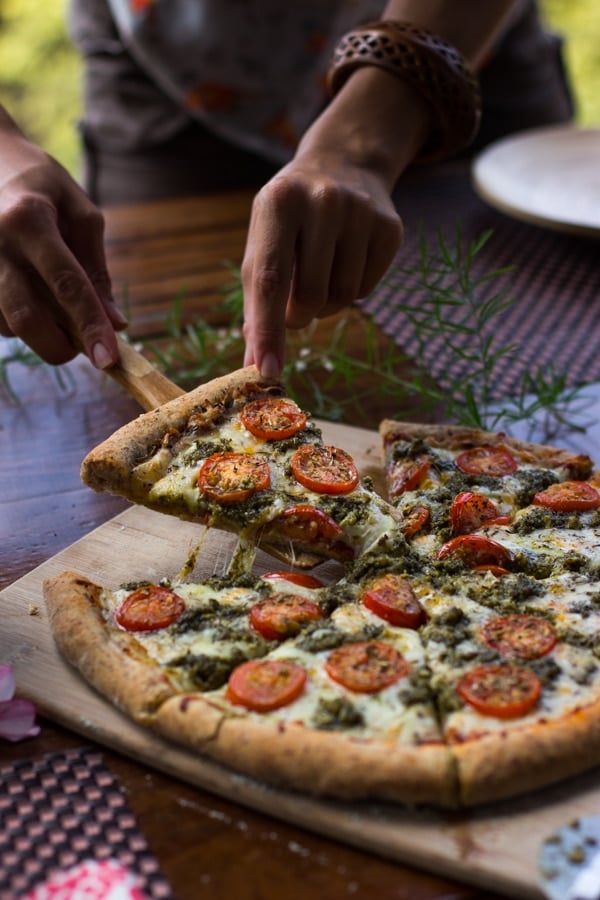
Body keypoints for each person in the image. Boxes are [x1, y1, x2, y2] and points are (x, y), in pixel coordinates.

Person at [0, 0, 573, 378]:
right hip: (167, 66)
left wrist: (368, 136)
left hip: (451, 38)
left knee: (537, 343)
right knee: (123, 323)